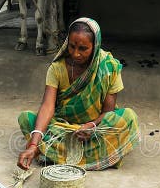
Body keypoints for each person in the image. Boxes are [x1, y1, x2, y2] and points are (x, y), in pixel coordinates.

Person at [17, 17, 140, 170]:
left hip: (93, 130)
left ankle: (56, 155)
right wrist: (34, 144)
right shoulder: (57, 68)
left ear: (95, 46)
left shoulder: (108, 67)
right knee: (26, 118)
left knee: (128, 117)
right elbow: (48, 106)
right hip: (63, 127)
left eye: (83, 49)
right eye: (72, 46)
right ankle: (99, 156)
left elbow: (108, 112)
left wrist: (91, 126)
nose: (75, 54)